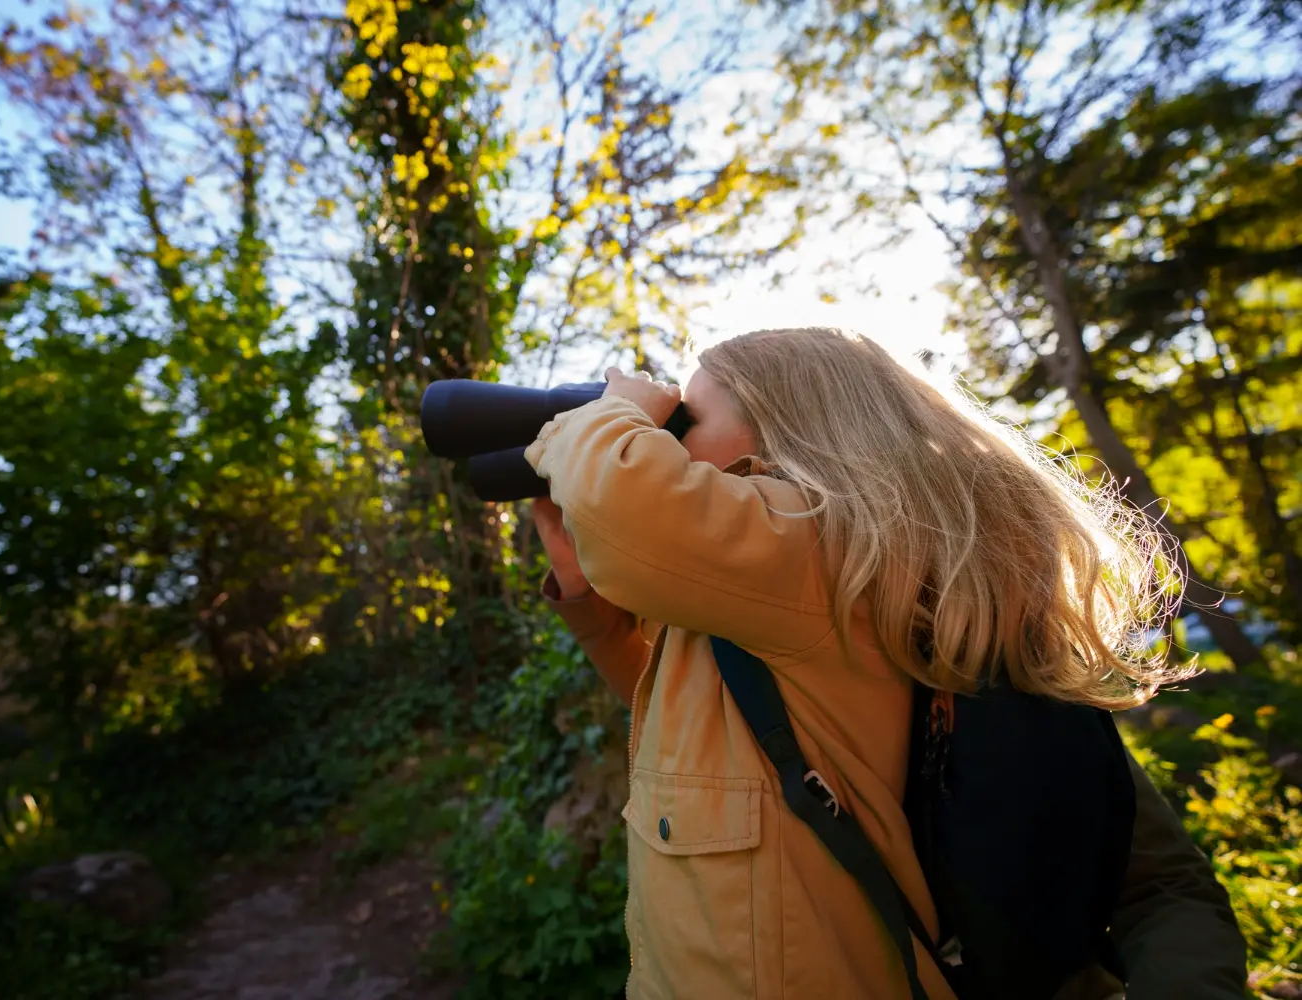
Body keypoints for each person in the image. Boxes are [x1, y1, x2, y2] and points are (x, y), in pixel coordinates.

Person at [524, 327, 1248, 1000]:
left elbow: (622, 503)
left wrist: (616, 413)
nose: (667, 438)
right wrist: (592, 609)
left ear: (792, 431)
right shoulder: (852, 598)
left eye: (685, 419)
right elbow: (710, 738)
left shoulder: (813, 549)